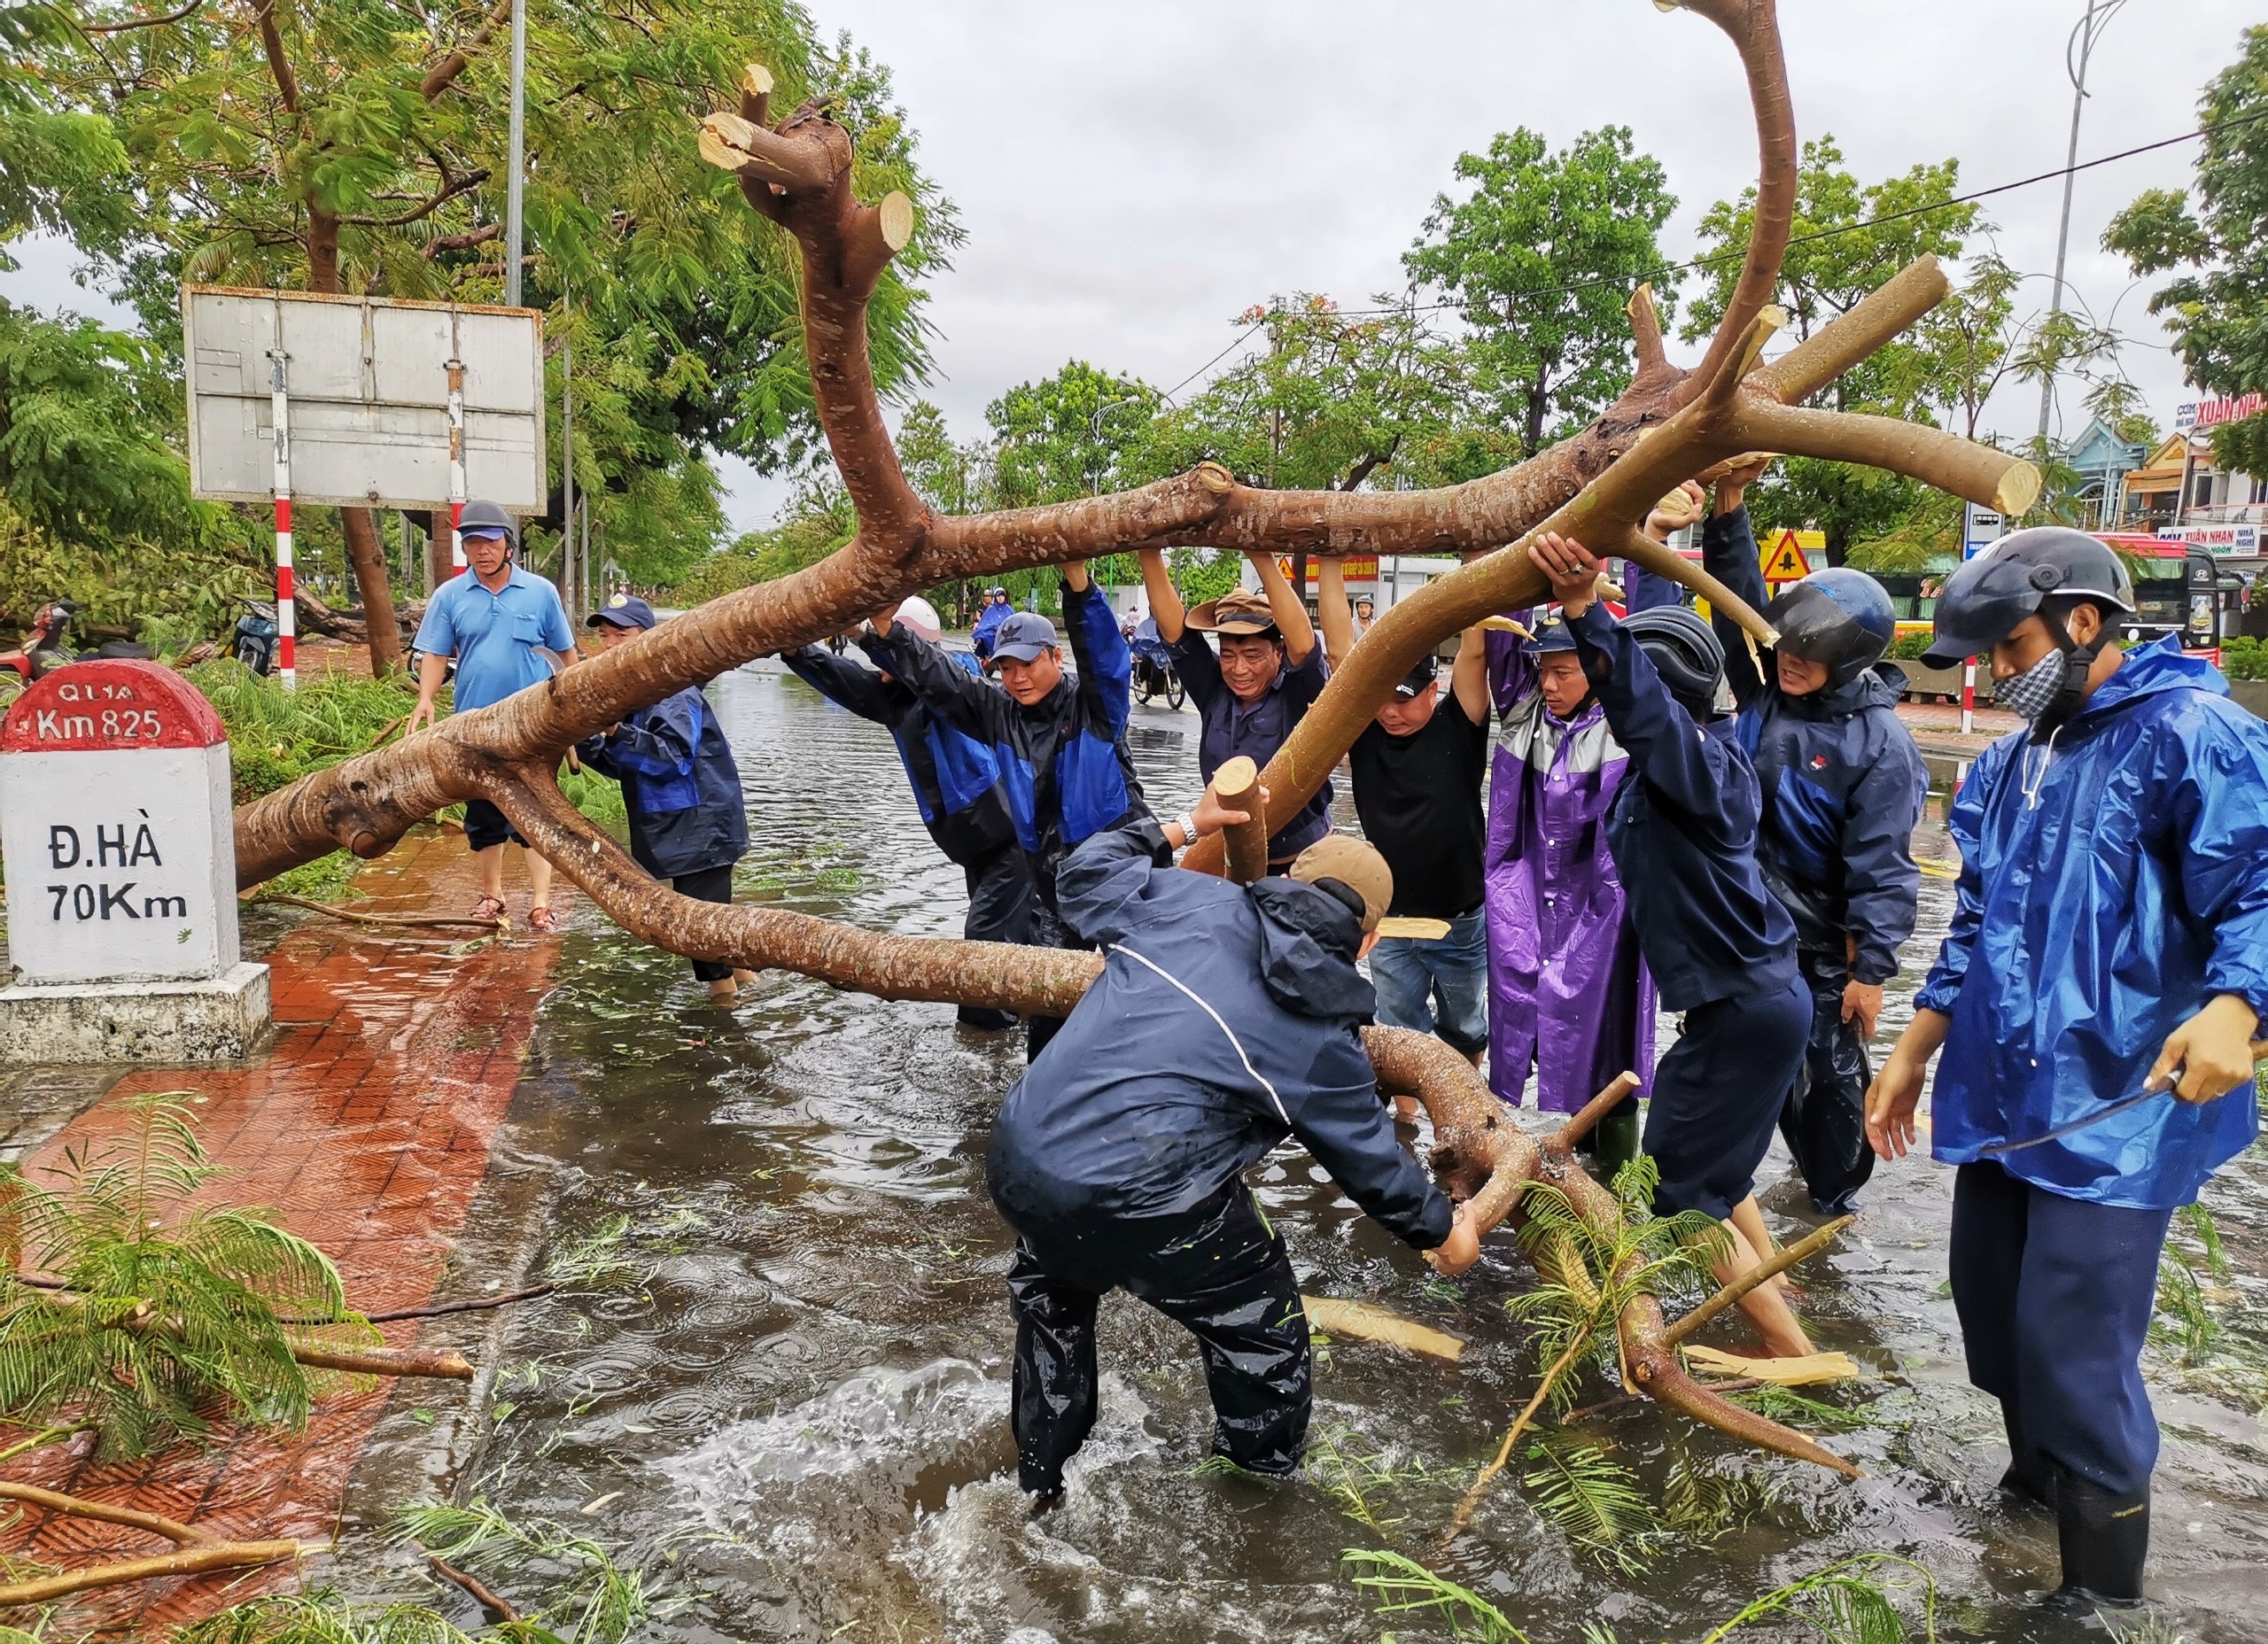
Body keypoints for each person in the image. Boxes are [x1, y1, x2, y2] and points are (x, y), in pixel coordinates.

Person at [1866, 527, 2268, 1609]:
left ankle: (2099, 1599)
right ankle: (2033, 1492)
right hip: (2004, 1094)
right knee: (1993, 1314)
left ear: (2083, 619)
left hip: (2127, 1097)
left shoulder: (2200, 734)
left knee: (2074, 1349)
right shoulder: (2008, 759)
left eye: (2008, 647)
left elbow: (2261, 890)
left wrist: (2240, 1001)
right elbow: (1975, 919)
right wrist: (1910, 1051)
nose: (1997, 673)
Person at [989, 798, 1481, 1499]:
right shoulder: (1325, 1040)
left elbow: (1086, 871)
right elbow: (1372, 1167)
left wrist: (1193, 823)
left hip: (1025, 1154)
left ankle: (1037, 1488)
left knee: (1055, 1300)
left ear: (1287, 879)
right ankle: (1256, 1504)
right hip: (1144, 1196)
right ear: (1368, 942)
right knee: (1263, 1334)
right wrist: (1444, 1231)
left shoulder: (1186, 899)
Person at [1528, 528, 1814, 1359]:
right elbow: (1665, 651)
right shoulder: (1690, 761)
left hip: (1744, 1011)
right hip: (1748, 1006)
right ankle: (1770, 1277)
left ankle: (1793, 1357)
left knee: (1679, 1198)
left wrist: (1585, 610)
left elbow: (1646, 708)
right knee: (1712, 1168)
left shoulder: (1703, 769)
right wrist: (1645, 549)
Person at [1703, 465, 1925, 1215]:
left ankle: (1829, 1211)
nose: (1791, 659)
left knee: (1828, 1085)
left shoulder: (1881, 745)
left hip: (1825, 950)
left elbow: (1885, 868)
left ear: (1851, 658)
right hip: (1748, 931)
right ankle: (1721, 1204)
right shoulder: (1768, 687)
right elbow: (1737, 606)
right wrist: (1727, 506)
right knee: (1731, 1075)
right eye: (1786, 645)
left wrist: (1874, 970)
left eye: (1810, 652)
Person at [865, 562, 1148, 1057]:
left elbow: (1106, 657)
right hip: (1056, 885)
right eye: (1006, 667)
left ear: (1056, 657)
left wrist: (1078, 584)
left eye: (1027, 663)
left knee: (1145, 992)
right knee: (1048, 1022)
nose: (1016, 678)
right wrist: (886, 630)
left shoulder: (1096, 707)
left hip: (1123, 872)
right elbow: (944, 681)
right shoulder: (999, 714)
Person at [784, 595, 1035, 1030]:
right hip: (974, 848)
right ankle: (1026, 1018)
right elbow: (844, 680)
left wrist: (866, 634)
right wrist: (795, 650)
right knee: (1012, 941)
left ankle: (981, 1038)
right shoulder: (895, 697)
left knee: (982, 943)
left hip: (1010, 843)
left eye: (891, 641)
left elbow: (930, 674)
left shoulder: (958, 681)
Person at [1483, 612, 1655, 1170]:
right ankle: (1569, 1165)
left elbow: (1646, 645)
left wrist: (1645, 546)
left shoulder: (1626, 722)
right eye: (1543, 672)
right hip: (1527, 898)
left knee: (1610, 1034)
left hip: (1607, 902)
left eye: (1563, 672)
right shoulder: (1524, 713)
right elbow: (1504, 628)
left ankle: (1622, 1177)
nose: (1549, 685)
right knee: (1523, 1017)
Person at [1327, 581, 1494, 1081]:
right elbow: (1340, 652)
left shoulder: (1460, 722)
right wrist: (1330, 561)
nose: (1390, 712)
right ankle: (1405, 1129)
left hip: (1458, 916)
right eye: (1381, 699)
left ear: (1432, 688)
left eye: (1403, 700)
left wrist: (1476, 566)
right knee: (1399, 1031)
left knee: (1465, 1025)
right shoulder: (1364, 728)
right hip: (1390, 919)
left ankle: (1462, 1115)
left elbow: (1475, 650)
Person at [573, 595, 757, 1003]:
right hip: (674, 829)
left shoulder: (672, 690)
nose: (609, 645)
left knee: (701, 935)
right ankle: (745, 986)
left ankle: (723, 1022)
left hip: (702, 829)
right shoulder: (633, 692)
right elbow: (629, 765)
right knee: (713, 928)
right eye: (604, 636)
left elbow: (671, 757)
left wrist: (616, 733)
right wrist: (590, 742)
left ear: (649, 639)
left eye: (621, 635)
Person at [409, 499, 579, 929]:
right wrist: (426, 697)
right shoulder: (450, 595)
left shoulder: (540, 592)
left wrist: (579, 705)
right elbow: (434, 652)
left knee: (535, 814)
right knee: (483, 815)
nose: (481, 551)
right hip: (473, 723)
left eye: (489, 542)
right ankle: (492, 895)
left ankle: (541, 902)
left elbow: (565, 651)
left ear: (508, 546)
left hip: (536, 724)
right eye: (472, 543)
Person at [1138, 547, 1332, 866]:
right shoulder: (1214, 686)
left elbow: (1304, 645)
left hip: (1300, 861)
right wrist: (1148, 552)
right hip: (1230, 854)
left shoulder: (1299, 692)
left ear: (1278, 652)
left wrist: (1259, 553)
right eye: (1228, 655)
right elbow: (1174, 630)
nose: (1239, 670)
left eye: (1253, 655)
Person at [971, 586, 1013, 661]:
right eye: (999, 596)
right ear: (995, 597)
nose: (1001, 598)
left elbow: (1014, 622)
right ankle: (992, 655)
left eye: (1002, 596)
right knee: (987, 635)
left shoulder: (1009, 609)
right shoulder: (990, 609)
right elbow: (983, 623)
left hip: (1006, 632)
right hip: (993, 631)